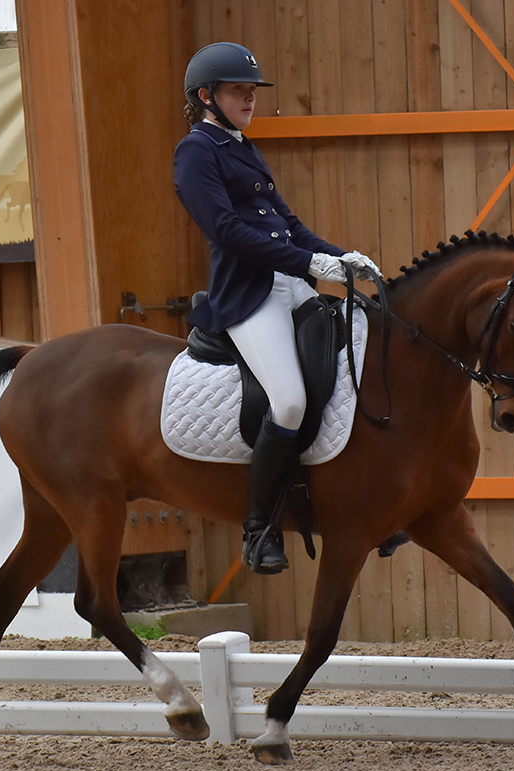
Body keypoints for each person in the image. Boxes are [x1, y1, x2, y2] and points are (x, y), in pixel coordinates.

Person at [174, 41, 381, 575]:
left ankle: (370, 502)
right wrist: (310, 263)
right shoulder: (196, 152)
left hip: (290, 284)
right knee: (288, 402)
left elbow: (289, 224)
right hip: (248, 296)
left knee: (354, 365)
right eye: (239, 91)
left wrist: (341, 258)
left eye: (253, 91)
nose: (251, 99)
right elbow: (226, 231)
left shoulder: (242, 146)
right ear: (206, 96)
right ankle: (259, 529)